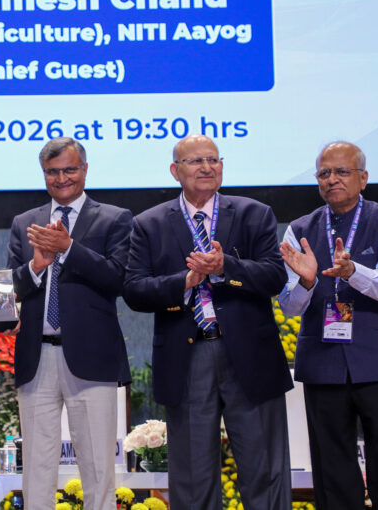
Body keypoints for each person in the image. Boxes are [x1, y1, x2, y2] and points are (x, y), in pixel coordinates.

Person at [123, 135, 293, 510]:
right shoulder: (149, 224)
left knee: (263, 469)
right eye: (195, 161)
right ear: (175, 171)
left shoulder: (254, 213)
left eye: (212, 160)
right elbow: (134, 290)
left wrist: (225, 267)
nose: (206, 167)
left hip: (249, 356)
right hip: (188, 358)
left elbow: (274, 277)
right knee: (192, 477)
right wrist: (182, 281)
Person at [278, 141, 378, 510]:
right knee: (332, 471)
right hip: (324, 362)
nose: (332, 179)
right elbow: (289, 306)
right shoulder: (299, 230)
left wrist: (353, 271)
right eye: (324, 173)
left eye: (342, 171)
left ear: (363, 178)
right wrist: (309, 281)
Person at [7, 137, 132, 510]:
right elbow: (13, 285)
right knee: (38, 469)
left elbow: (118, 279)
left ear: (85, 170)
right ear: (44, 175)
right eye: (52, 172)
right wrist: (36, 266)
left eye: (69, 170)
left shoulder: (114, 218)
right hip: (36, 356)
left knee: (97, 467)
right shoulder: (24, 222)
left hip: (92, 359)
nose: (61, 178)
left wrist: (69, 249)